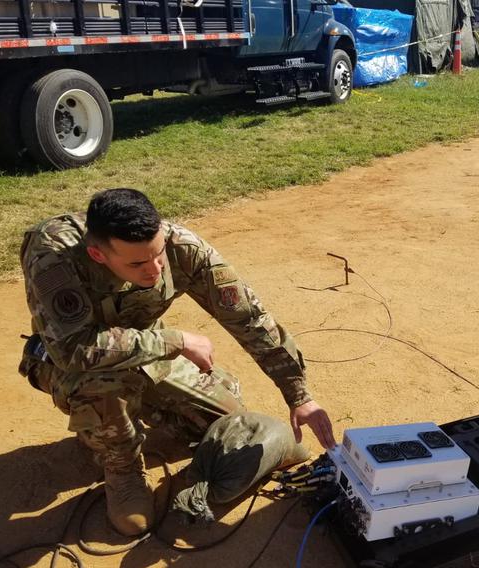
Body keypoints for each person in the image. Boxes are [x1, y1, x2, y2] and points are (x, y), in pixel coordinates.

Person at [18, 188, 335, 536]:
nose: (154, 269)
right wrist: (176, 341)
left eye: (157, 255)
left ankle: (135, 410)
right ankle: (121, 466)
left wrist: (298, 393)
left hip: (148, 352)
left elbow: (249, 318)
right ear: (97, 254)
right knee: (103, 384)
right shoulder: (53, 254)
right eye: (137, 263)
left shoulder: (182, 247)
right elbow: (75, 349)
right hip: (71, 362)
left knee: (226, 424)